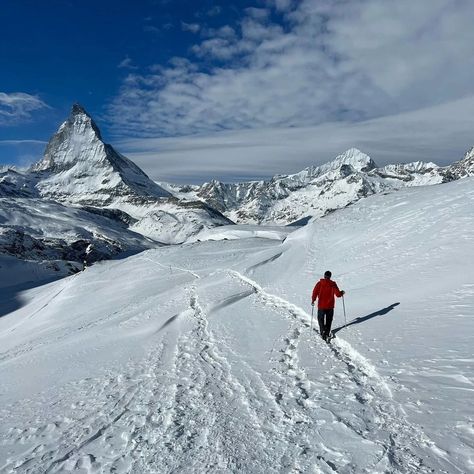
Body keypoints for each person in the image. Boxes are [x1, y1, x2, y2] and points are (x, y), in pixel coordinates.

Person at [311, 271, 345, 341]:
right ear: (330, 276)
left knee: (320, 319)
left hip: (321, 306)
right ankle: (327, 333)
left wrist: (313, 300)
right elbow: (338, 294)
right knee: (329, 320)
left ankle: (322, 331)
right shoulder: (333, 284)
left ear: (324, 276)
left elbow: (315, 292)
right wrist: (342, 292)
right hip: (330, 306)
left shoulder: (319, 283)